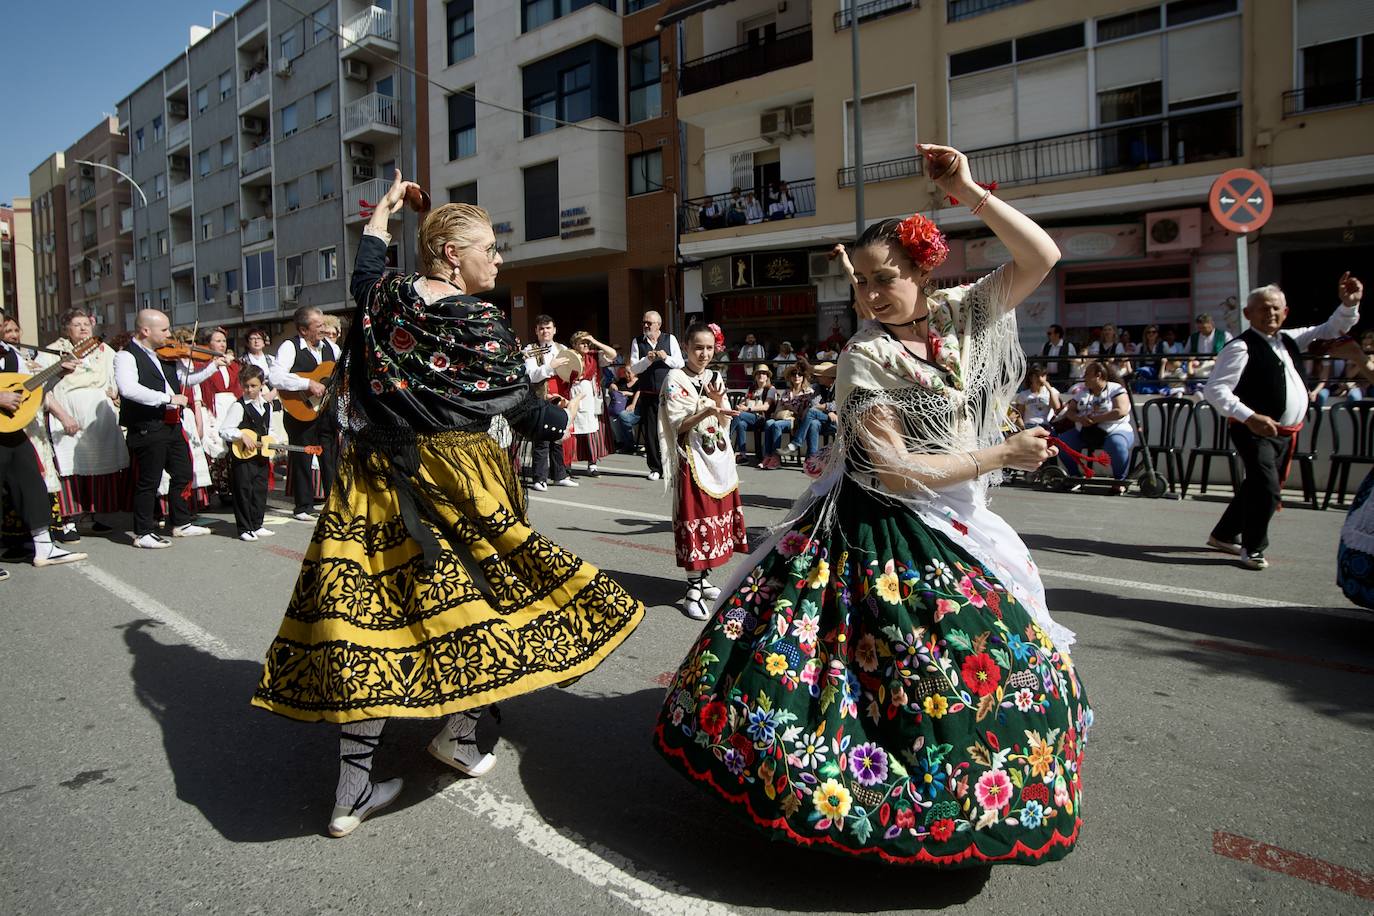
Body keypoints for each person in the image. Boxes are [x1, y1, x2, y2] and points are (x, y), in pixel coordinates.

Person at [654, 142, 1090, 867]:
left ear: (925, 270)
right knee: (899, 673)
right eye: (860, 284)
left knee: (1010, 661)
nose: (870, 297)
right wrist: (1001, 454)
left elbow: (1041, 255)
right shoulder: (866, 357)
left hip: (959, 513)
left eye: (883, 280)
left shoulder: (960, 314)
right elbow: (890, 470)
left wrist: (968, 191)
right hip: (888, 520)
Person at [251, 172, 644, 838]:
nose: (499, 259)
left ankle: (351, 791)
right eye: (489, 247)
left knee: (367, 621)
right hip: (453, 481)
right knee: (484, 611)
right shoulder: (475, 318)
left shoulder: (387, 297)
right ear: (453, 254)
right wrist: (561, 389)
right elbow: (530, 419)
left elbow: (365, 267)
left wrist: (384, 212)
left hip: (370, 479)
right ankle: (458, 737)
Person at [1204, 275, 1361, 570]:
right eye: (1263, 308)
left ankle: (1223, 534)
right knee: (1266, 486)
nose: (1271, 313)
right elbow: (1214, 390)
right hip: (1253, 431)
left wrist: (1348, 305)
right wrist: (1249, 416)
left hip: (1285, 433)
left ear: (1285, 312)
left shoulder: (1290, 340)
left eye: (1276, 308)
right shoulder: (1241, 347)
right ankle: (1252, 547)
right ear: (1248, 314)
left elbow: (1330, 329)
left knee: (1257, 486)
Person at [657, 322, 747, 620]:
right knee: (695, 518)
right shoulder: (675, 378)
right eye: (698, 348)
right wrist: (707, 409)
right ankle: (692, 588)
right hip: (691, 460)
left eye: (709, 348)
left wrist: (720, 405)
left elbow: (724, 420)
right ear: (685, 347)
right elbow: (676, 425)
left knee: (714, 516)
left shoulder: (714, 376)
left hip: (717, 458)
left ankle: (704, 578)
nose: (704, 354)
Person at [114, 309, 224, 548]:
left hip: (172, 424)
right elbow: (128, 389)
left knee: (184, 472)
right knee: (149, 481)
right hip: (147, 425)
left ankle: (180, 522)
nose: (169, 334)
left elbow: (186, 380)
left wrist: (213, 366)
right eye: (164, 329)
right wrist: (168, 398)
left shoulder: (165, 355)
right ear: (146, 330)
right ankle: (142, 532)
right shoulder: (126, 356)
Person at [0, 315, 86, 577]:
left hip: (12, 428)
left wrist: (59, 373)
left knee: (32, 484)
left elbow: (31, 392)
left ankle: (44, 546)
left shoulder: (10, 352)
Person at [45, 308, 130, 538]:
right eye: (77, 324)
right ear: (66, 329)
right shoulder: (54, 351)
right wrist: (63, 416)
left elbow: (118, 378)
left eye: (86, 324)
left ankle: (95, 515)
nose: (83, 328)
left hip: (100, 418)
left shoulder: (104, 349)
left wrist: (115, 395)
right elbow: (43, 388)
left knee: (99, 467)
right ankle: (69, 520)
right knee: (71, 468)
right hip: (70, 415)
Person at [270, 305, 341, 521]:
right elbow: (275, 376)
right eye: (318, 326)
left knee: (329, 457)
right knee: (302, 456)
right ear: (303, 330)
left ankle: (333, 504)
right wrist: (307, 383)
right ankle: (303, 506)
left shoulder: (331, 347)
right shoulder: (290, 347)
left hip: (326, 411)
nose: (323, 329)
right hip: (300, 409)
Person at [217, 364, 276, 542]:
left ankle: (257, 524)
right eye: (246, 386)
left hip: (260, 455)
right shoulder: (239, 406)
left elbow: (269, 429)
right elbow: (224, 430)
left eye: (253, 386)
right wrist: (241, 434)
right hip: (243, 456)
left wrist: (273, 441)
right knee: (243, 490)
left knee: (259, 489)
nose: (249, 390)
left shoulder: (267, 406)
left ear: (261, 385)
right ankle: (244, 527)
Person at [1059, 362, 1134, 488]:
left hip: (1114, 430)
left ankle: (1119, 481)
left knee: (1117, 445)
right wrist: (1079, 418)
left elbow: (1121, 411)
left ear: (1098, 375)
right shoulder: (1082, 392)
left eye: (1087, 374)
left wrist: (1096, 419)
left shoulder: (1116, 389)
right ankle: (1075, 477)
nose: (1084, 377)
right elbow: (1070, 411)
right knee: (1063, 443)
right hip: (1086, 430)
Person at [523, 315, 577, 490]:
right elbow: (531, 375)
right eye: (541, 328)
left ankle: (560, 475)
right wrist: (550, 366)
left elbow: (571, 373)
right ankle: (539, 478)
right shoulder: (530, 350)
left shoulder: (563, 348)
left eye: (548, 328)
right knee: (542, 438)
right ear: (536, 331)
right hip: (541, 398)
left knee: (559, 437)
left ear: (554, 330)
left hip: (560, 398)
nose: (545, 331)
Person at [628, 310, 683, 481]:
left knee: (670, 430)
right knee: (650, 432)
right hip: (648, 393)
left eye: (649, 323)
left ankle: (672, 466)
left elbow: (680, 363)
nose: (645, 326)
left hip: (668, 393)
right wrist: (647, 360)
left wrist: (665, 358)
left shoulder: (670, 339)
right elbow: (634, 368)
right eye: (644, 322)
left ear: (658, 324)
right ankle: (655, 467)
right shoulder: (637, 341)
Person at [566, 331, 615, 476]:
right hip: (572, 395)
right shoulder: (568, 357)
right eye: (582, 342)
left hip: (590, 398)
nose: (586, 345)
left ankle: (592, 464)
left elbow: (612, 354)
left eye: (587, 343)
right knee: (570, 430)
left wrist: (594, 340)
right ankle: (567, 463)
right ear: (574, 344)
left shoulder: (594, 356)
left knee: (591, 431)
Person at [730, 364, 777, 464]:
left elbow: (765, 407)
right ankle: (743, 455)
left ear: (767, 376)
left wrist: (747, 408)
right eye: (759, 373)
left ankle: (727, 436)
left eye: (764, 373)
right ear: (755, 376)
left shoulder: (770, 389)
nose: (761, 375)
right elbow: (744, 401)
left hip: (763, 418)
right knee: (741, 424)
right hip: (750, 417)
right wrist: (741, 405)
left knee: (739, 415)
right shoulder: (751, 388)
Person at [774, 363, 819, 465]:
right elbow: (784, 404)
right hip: (788, 419)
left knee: (811, 423)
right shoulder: (787, 391)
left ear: (803, 377)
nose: (797, 377)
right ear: (790, 377)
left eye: (799, 374)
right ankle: (772, 456)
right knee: (772, 424)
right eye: (794, 374)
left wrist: (792, 408)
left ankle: (797, 449)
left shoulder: (809, 391)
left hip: (801, 419)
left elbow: (808, 407)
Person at [1186, 313, 1231, 391]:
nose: (1201, 330)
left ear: (1211, 324)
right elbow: (1186, 352)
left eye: (1204, 327)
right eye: (1199, 328)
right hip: (1198, 370)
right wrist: (1191, 359)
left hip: (1216, 369)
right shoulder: (1193, 337)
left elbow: (1231, 352)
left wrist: (1220, 357)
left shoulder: (1225, 335)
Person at [1013, 365, 1062, 430]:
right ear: (1031, 378)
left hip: (1045, 425)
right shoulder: (1024, 394)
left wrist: (1050, 389)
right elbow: (1019, 414)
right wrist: (1022, 427)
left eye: (1043, 376)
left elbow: (1057, 407)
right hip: (1029, 425)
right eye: (1037, 376)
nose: (1040, 379)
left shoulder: (1051, 391)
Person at [608, 369, 641, 453]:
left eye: (629, 372)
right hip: (621, 408)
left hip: (635, 410)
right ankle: (620, 441)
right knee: (612, 416)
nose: (626, 374)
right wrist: (612, 385)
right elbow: (613, 387)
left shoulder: (639, 382)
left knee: (623, 415)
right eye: (625, 372)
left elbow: (638, 393)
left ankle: (629, 444)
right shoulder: (622, 381)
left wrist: (627, 393)